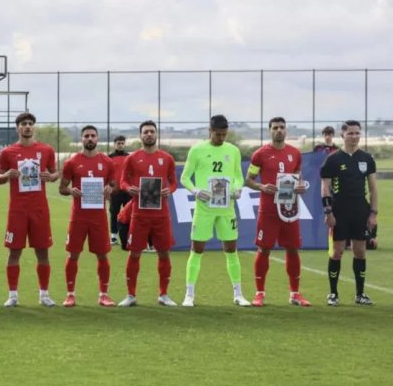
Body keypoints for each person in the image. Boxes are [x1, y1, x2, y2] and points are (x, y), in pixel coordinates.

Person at [180, 114, 250, 307]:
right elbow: (185, 178)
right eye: (218, 134)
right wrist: (195, 190)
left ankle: (238, 293)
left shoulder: (233, 151)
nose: (221, 138)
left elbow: (238, 176)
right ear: (210, 131)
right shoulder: (197, 150)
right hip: (204, 209)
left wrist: (237, 188)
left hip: (226, 208)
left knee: (231, 249)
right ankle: (189, 294)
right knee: (197, 249)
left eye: (224, 134)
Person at [244, 117, 311, 307]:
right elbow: (249, 179)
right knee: (264, 249)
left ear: (286, 130)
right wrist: (261, 186)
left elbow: (298, 177)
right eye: (275, 128)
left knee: (292, 248)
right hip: (268, 211)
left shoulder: (295, 153)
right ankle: (259, 293)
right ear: (270, 131)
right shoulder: (260, 154)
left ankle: (295, 294)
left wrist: (299, 187)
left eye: (282, 127)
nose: (279, 130)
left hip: (289, 209)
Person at [0, 112, 59, 307]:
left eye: (30, 124)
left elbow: (54, 172)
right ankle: (13, 295)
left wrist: (51, 177)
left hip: (40, 209)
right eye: (24, 124)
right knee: (14, 252)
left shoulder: (46, 150)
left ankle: (44, 294)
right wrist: (7, 173)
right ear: (18, 128)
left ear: (34, 127)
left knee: (43, 252)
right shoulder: (8, 152)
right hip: (17, 210)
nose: (27, 127)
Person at [118, 120, 178, 307]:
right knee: (134, 253)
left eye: (152, 131)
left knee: (164, 254)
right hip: (139, 214)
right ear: (140, 136)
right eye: (146, 132)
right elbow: (122, 182)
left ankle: (163, 294)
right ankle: (130, 295)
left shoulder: (167, 158)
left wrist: (171, 190)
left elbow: (173, 182)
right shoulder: (132, 158)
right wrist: (130, 189)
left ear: (156, 134)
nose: (149, 134)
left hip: (161, 215)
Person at [320, 120, 378, 306]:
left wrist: (373, 213)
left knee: (360, 252)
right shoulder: (333, 159)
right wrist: (328, 212)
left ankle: (360, 294)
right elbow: (325, 188)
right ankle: (333, 293)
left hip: (360, 209)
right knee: (336, 252)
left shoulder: (367, 159)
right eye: (350, 133)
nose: (354, 137)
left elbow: (373, 189)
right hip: (340, 210)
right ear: (342, 135)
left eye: (357, 133)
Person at [58, 125, 116, 307]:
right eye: (86, 136)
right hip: (78, 217)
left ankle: (104, 295)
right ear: (82, 139)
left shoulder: (107, 162)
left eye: (92, 136)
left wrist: (110, 189)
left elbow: (113, 185)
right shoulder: (71, 162)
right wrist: (70, 190)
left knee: (102, 256)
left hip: (98, 217)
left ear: (97, 139)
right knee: (73, 255)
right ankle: (70, 294)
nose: (90, 139)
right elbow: (62, 188)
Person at [108, 135, 130, 245]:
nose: (120, 145)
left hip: (127, 191)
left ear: (124, 144)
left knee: (128, 214)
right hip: (115, 191)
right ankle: (113, 236)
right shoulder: (109, 157)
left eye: (122, 143)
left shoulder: (129, 157)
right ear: (114, 144)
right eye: (118, 143)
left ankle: (128, 235)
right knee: (114, 213)